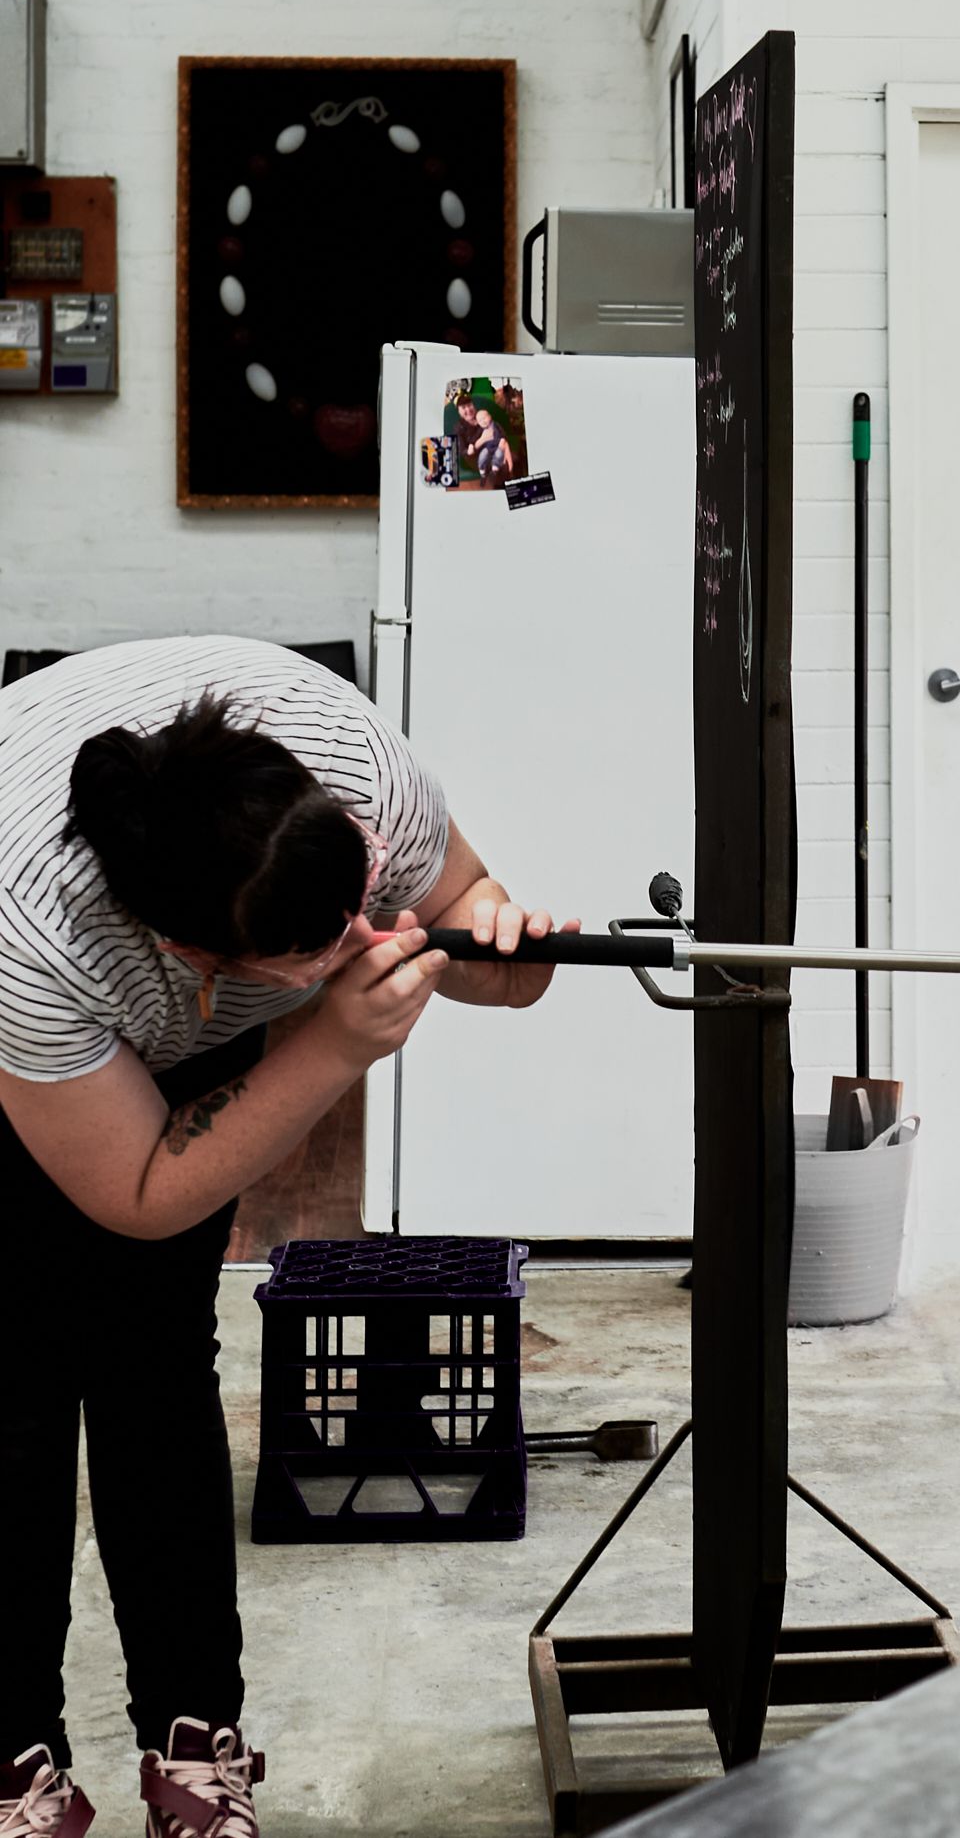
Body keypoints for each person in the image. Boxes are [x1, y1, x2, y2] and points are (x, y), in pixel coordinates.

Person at [0, 637, 570, 1838]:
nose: (369, 934)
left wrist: (506, 951)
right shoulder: (32, 931)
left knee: (155, 1367)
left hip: (165, 988)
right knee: (19, 1385)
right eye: (318, 950)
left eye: (364, 896)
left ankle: (196, 1749)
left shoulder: (350, 771)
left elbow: (455, 907)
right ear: (194, 956)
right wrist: (335, 1045)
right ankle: (15, 1763)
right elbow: (139, 1192)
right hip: (22, 1042)